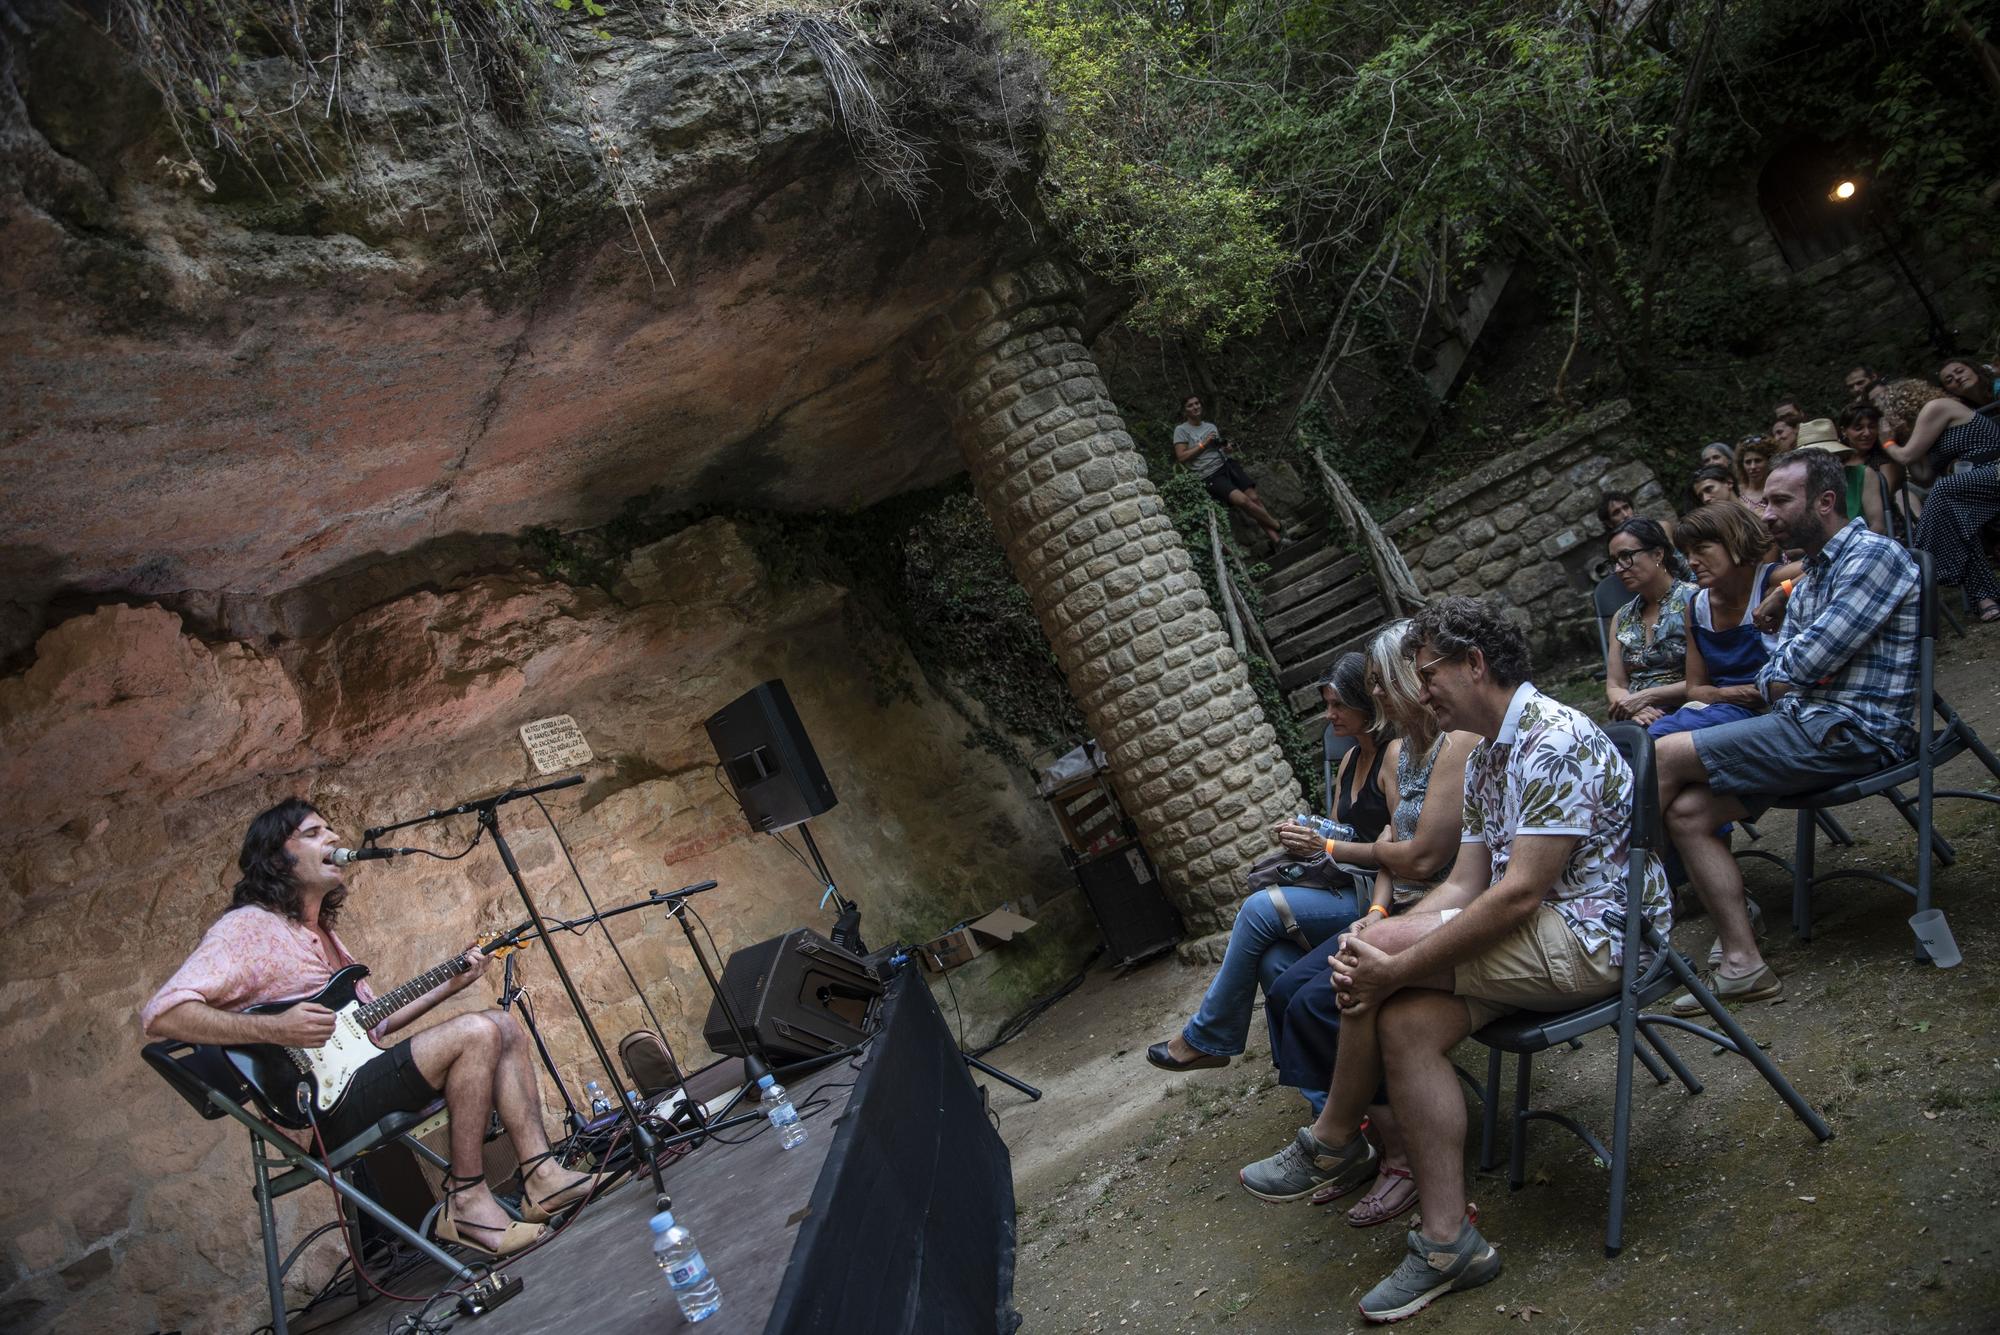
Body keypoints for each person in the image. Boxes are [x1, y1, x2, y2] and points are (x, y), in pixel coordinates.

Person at [1236, 598, 1669, 1324]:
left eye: (1427, 671)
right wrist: (1388, 933)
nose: (1419, 689)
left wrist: (1395, 958)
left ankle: (1333, 1138)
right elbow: (1466, 884)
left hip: (1600, 938)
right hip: (1535, 932)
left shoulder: (1552, 737)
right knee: (1402, 1019)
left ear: (1475, 663)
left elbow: (1519, 893)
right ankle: (1448, 1245)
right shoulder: (1486, 752)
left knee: (1378, 961)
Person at [142, 800, 604, 1257]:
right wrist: (277, 1028)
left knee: (501, 1023)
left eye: (330, 829)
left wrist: (453, 983)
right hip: (321, 1110)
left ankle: (542, 1177)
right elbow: (164, 1015)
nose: (333, 838)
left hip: (357, 1082)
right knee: (477, 1033)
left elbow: (373, 1022)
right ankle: (465, 1201)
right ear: (276, 858)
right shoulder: (246, 928)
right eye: (313, 833)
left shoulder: (323, 934)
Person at [1653, 450, 1919, 1011]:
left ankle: (1613, 910)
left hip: (1853, 732)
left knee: (1664, 755)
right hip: (1805, 724)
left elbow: (1796, 666)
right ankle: (1743, 965)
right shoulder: (1814, 572)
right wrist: (1783, 658)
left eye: (1779, 501)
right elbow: (1776, 671)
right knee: (1689, 812)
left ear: (1825, 502)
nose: (1766, 514)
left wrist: (1783, 666)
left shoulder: (1872, 557)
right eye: (1766, 501)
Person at [1260, 621, 1481, 1227]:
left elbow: (1423, 859)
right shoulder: (1402, 752)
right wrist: (1377, 914)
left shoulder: (1460, 745)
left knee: (1319, 995)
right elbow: (1391, 845)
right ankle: (1359, 1140)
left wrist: (1333, 852)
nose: (1375, 695)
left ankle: (1389, 1156)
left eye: (1382, 683)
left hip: (1436, 904)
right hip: (1402, 903)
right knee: (1285, 986)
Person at [1147, 653, 1394, 1072]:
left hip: (1377, 892)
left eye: (1337, 704)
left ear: (1364, 702)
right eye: (1326, 704)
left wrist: (1326, 846)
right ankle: (1318, 1090)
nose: (1329, 715)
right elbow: (1339, 834)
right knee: (1273, 960)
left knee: (1261, 908)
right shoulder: (1349, 762)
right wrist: (1306, 839)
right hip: (1342, 882)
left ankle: (1209, 1037)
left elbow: (1395, 845)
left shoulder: (1394, 756)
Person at [1646, 501, 1789, 739]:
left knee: (1660, 738)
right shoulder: (1696, 608)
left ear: (1734, 540)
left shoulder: (1771, 580)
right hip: (1726, 709)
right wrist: (1730, 695)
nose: (1692, 561)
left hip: (1776, 711)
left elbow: (1827, 566)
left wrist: (1783, 592)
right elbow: (1694, 688)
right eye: (1687, 554)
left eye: (1701, 549)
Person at [1887, 394, 2000, 621]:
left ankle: (1921, 563)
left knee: (1944, 490)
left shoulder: (1936, 407)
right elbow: (1924, 477)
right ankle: (1986, 598)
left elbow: (1906, 456)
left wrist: (1887, 442)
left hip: (1994, 469)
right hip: (1971, 490)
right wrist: (1902, 440)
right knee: (1955, 520)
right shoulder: (1922, 435)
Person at [1604, 517, 1696, 728]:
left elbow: (1709, 677)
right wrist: (1632, 706)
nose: (1618, 569)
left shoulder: (1694, 601)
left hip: (1689, 710)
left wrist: (1646, 697)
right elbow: (1615, 684)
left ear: (1657, 554)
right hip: (1637, 717)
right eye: (1614, 561)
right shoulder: (1622, 617)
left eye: (1626, 556)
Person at [1172, 394, 1284, 549]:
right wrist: (1204, 444)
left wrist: (1226, 448)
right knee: (1243, 501)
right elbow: (1182, 457)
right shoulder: (1181, 430)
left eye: (1197, 403)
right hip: (1209, 475)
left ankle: (1277, 541)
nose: (1195, 407)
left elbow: (1217, 448)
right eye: (1190, 405)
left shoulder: (1210, 427)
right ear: (1185, 411)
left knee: (1254, 498)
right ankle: (1279, 526)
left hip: (1227, 465)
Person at [1793, 417, 1891, 537]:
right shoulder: (1798, 484)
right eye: (1813, 459)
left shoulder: (1861, 475)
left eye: (1828, 456)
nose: (1821, 463)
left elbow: (1878, 526)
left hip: (1860, 544)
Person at [1734, 437, 1772, 508]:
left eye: (1758, 461)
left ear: (1768, 461)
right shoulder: (1736, 492)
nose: (1753, 467)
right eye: (1748, 462)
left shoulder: (1776, 489)